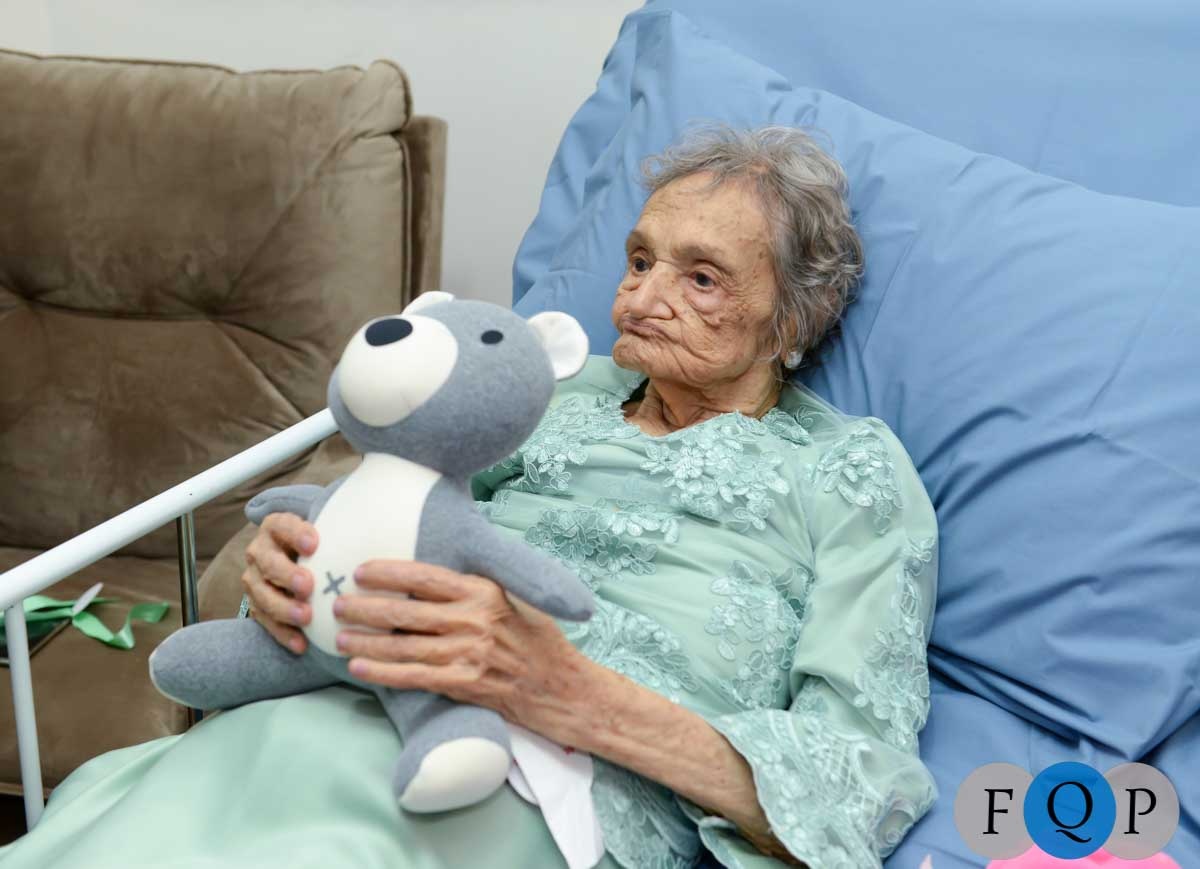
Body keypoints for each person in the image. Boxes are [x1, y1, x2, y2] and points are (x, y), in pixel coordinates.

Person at [0, 125, 939, 869]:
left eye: (700, 278)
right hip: (346, 702)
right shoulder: (547, 392)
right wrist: (295, 575)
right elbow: (386, 507)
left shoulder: (849, 472)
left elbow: (860, 782)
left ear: (794, 318)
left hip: (544, 787)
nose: (640, 298)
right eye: (638, 259)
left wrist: (566, 692)